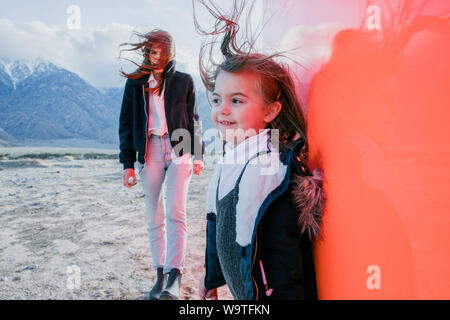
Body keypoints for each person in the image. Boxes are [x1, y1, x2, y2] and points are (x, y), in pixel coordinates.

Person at [194, 1, 325, 300]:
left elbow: (284, 259)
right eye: (217, 100)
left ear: (270, 110)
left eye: (237, 100)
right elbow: (217, 227)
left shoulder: (268, 172)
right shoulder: (232, 159)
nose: (222, 110)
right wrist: (211, 278)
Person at [118, 29, 204, 300]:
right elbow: (126, 124)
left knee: (176, 212)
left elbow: (194, 119)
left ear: (169, 53)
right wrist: (127, 163)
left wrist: (198, 154)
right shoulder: (135, 84)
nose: (152, 56)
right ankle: (160, 275)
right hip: (150, 150)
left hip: (179, 148)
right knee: (154, 215)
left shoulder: (184, 81)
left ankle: (175, 277)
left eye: (157, 51)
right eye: (149, 51)